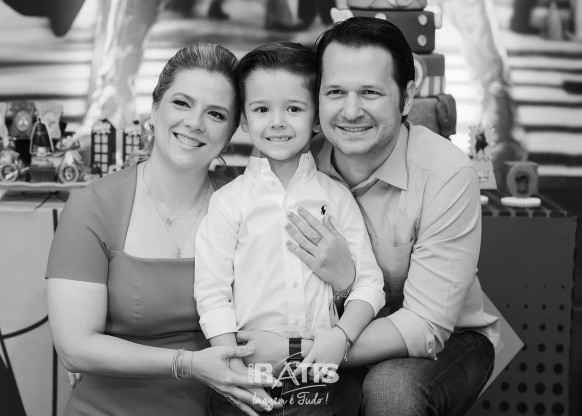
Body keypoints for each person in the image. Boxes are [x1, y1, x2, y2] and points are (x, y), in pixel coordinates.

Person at [235, 17, 500, 416]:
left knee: (392, 390)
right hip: (328, 330)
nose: (351, 111)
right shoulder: (294, 160)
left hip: (447, 339)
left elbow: (425, 327)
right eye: (335, 92)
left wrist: (298, 351)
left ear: (406, 98)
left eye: (370, 92)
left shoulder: (446, 174)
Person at [45, 42, 280, 416]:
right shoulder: (94, 206)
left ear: (231, 131)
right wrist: (190, 363)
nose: (195, 123)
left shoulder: (248, 206)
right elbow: (74, 347)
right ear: (154, 110)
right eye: (182, 103)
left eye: (216, 114)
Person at [194, 41, 385, 415]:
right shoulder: (228, 202)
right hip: (248, 374)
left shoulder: (337, 197)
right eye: (262, 109)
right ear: (244, 119)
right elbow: (212, 291)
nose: (277, 121)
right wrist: (232, 364)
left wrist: (342, 336)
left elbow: (369, 282)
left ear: (316, 118)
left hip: (321, 375)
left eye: (294, 108)